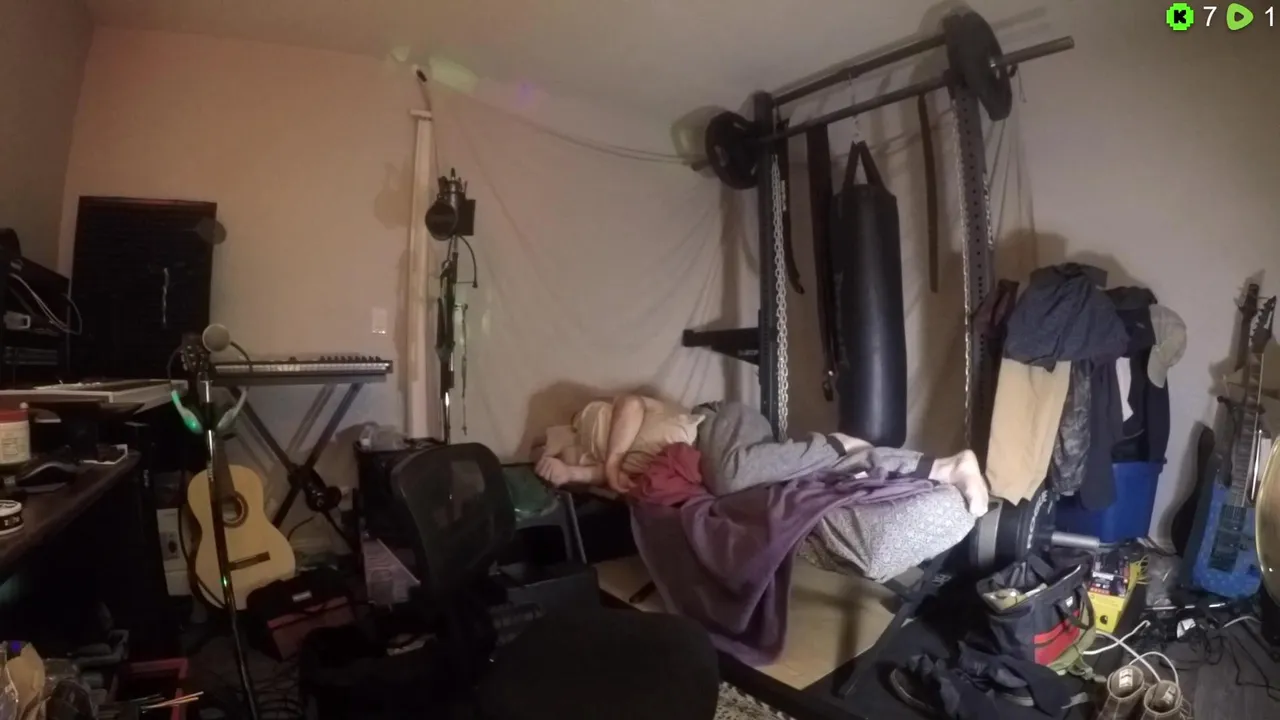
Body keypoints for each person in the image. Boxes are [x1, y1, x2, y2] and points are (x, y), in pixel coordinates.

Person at [535, 396, 989, 516]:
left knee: (730, 477)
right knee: (816, 478)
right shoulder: (600, 461)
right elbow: (603, 475)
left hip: (715, 422)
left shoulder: (600, 418)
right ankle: (944, 467)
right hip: (714, 456)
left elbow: (631, 404)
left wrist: (609, 461)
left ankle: (832, 444)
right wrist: (570, 471)